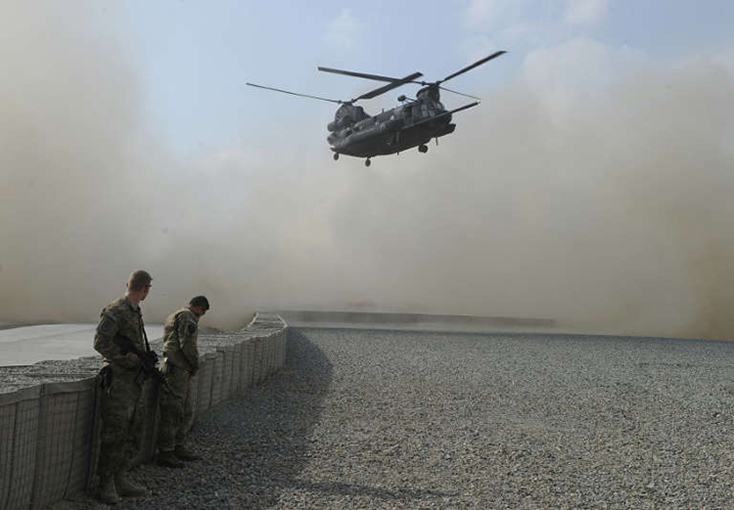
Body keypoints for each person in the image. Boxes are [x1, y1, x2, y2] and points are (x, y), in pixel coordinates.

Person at [93, 269, 154, 504]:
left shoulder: (135, 311)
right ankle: (105, 484)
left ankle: (120, 477)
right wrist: (129, 360)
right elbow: (100, 343)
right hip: (119, 382)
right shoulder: (116, 310)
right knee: (115, 434)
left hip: (133, 384)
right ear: (145, 288)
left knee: (133, 432)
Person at [156, 295, 210, 468]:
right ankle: (166, 451)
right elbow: (187, 345)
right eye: (202, 313)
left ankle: (178, 446)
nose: (200, 317)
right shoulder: (187, 317)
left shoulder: (176, 314)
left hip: (177, 368)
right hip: (177, 369)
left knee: (185, 410)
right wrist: (195, 365)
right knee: (173, 410)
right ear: (199, 308)